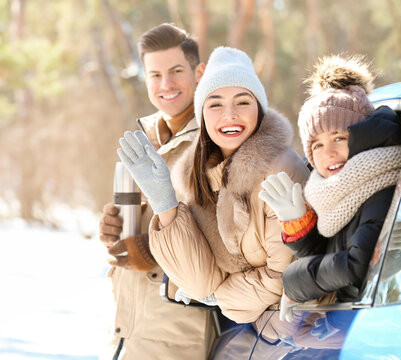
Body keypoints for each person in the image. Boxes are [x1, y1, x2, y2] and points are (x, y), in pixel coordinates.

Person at [116, 47, 310, 329]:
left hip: (295, 333)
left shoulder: (279, 171)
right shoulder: (201, 177)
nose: (229, 115)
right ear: (202, 115)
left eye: (242, 102)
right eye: (215, 104)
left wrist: (222, 297)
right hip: (247, 335)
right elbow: (199, 282)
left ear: (259, 108)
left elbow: (285, 277)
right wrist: (165, 205)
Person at [258, 55, 401, 325]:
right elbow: (329, 252)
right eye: (317, 145)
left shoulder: (380, 186)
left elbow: (355, 266)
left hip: (380, 323)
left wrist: (293, 283)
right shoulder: (335, 188)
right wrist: (298, 224)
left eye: (340, 138)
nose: (330, 153)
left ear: (364, 135)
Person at [97, 23, 216, 359]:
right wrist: (112, 231)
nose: (166, 85)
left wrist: (150, 252)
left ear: (199, 72)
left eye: (176, 71)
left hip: (176, 337)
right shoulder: (143, 136)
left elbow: (223, 242)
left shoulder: (214, 141)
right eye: (155, 75)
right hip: (127, 332)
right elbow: (133, 225)